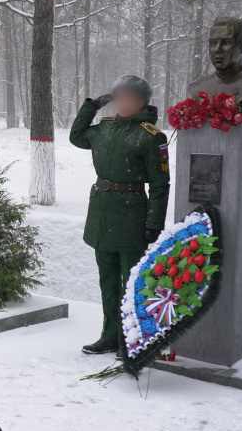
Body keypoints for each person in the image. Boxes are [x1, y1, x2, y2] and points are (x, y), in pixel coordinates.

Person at [70, 75, 170, 356]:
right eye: (118, 96)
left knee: (132, 282)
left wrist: (154, 224)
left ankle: (133, 339)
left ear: (140, 102)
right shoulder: (104, 129)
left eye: (127, 97)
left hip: (131, 217)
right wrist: (91, 106)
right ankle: (110, 335)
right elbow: (76, 137)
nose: (122, 102)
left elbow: (160, 186)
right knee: (109, 282)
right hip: (102, 214)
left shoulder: (152, 137)